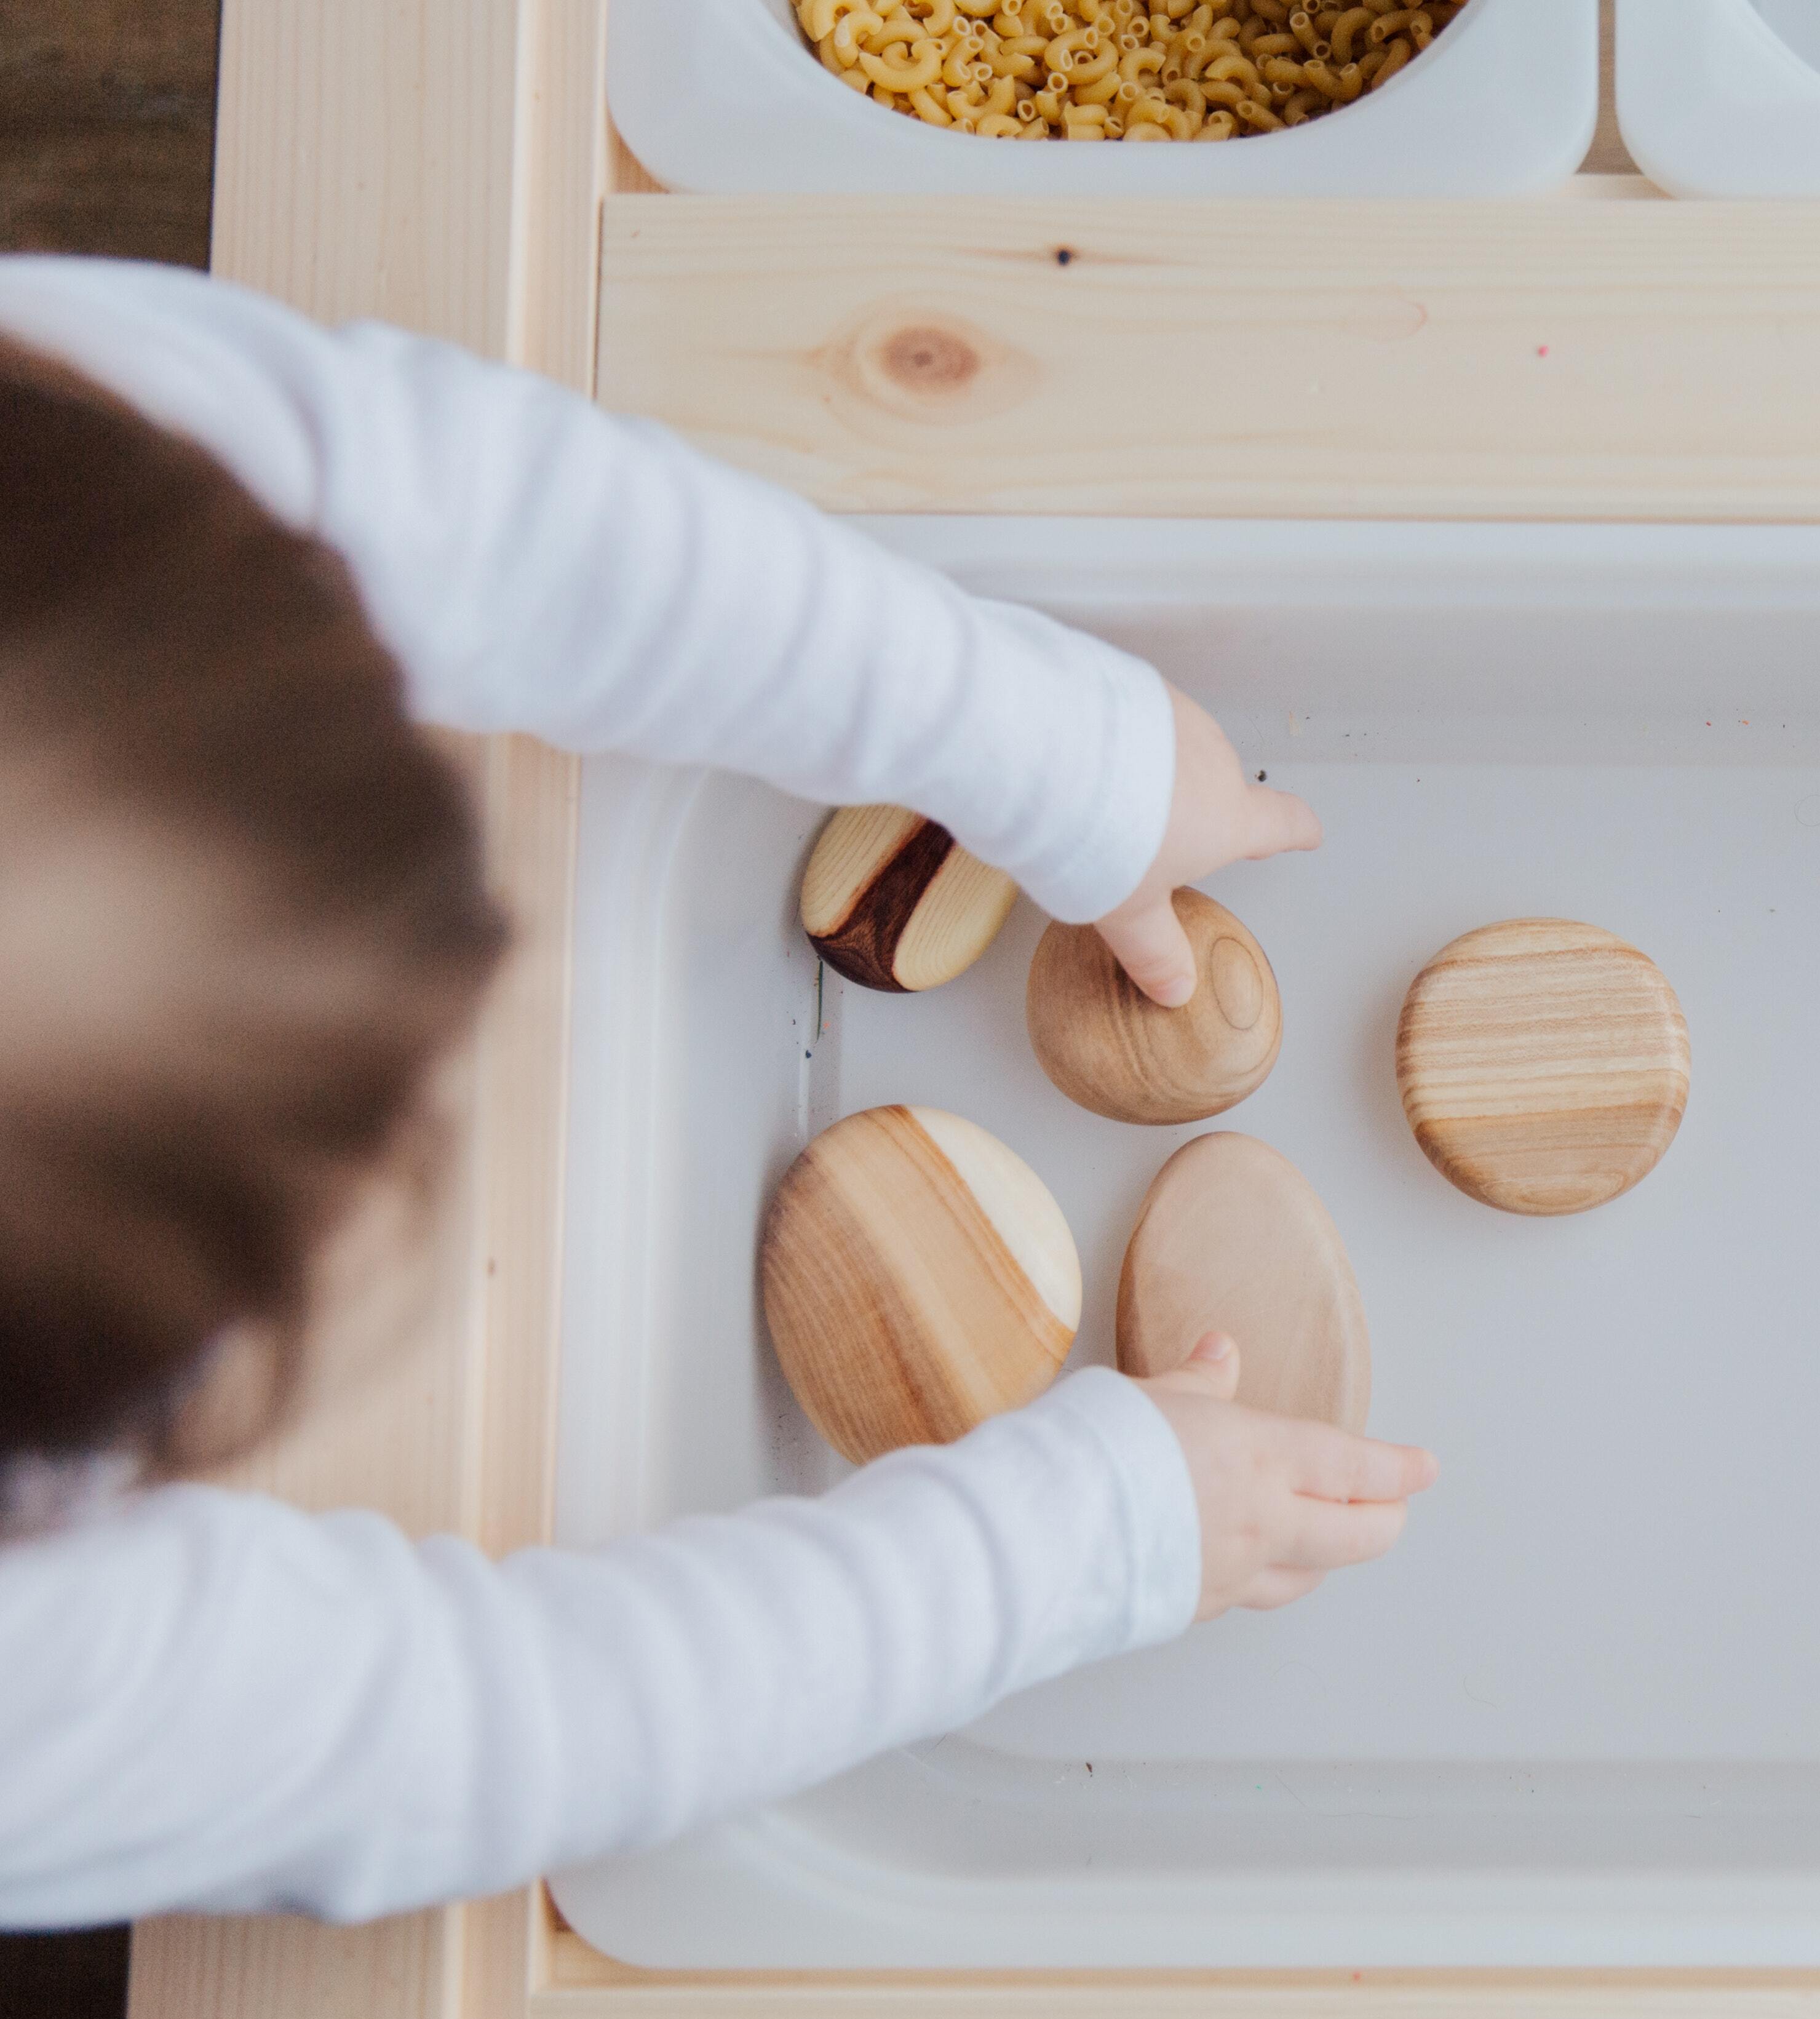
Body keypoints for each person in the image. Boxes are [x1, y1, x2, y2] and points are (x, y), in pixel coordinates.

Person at [0, 257, 1436, 1927]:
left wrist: (1050, 746)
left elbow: (496, 518)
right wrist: (1074, 1548)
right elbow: (485, 1740)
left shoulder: (77, 445)